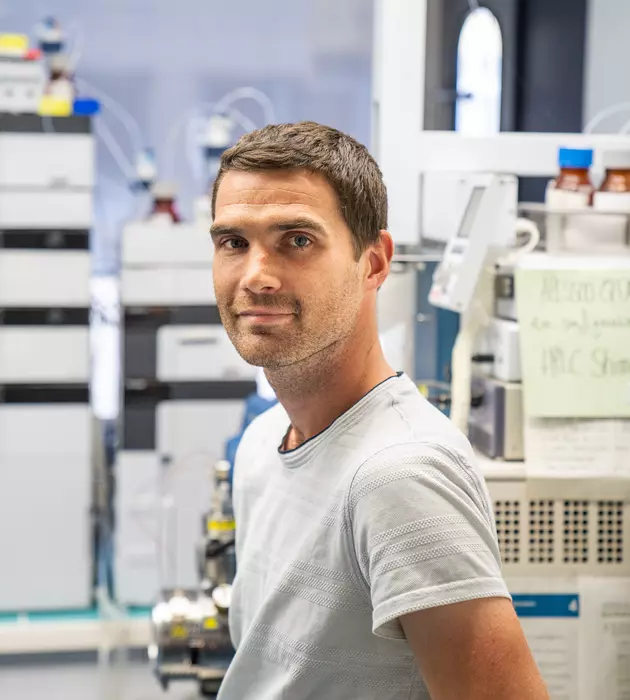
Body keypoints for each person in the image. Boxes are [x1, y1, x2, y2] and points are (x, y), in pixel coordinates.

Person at [210, 121, 548, 700]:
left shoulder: (399, 475)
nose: (256, 275)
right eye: (233, 243)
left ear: (374, 263)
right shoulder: (265, 441)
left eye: (297, 240)